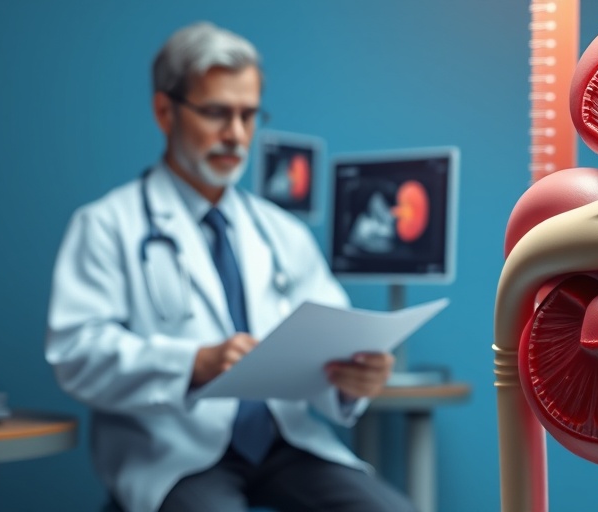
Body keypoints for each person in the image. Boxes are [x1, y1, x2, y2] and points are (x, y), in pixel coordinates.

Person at [45, 22, 414, 512]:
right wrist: (193, 364)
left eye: (248, 115)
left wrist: (355, 378)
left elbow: (334, 334)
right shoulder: (106, 225)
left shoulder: (281, 231)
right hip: (175, 451)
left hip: (286, 443)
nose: (236, 135)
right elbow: (76, 354)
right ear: (164, 111)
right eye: (217, 113)